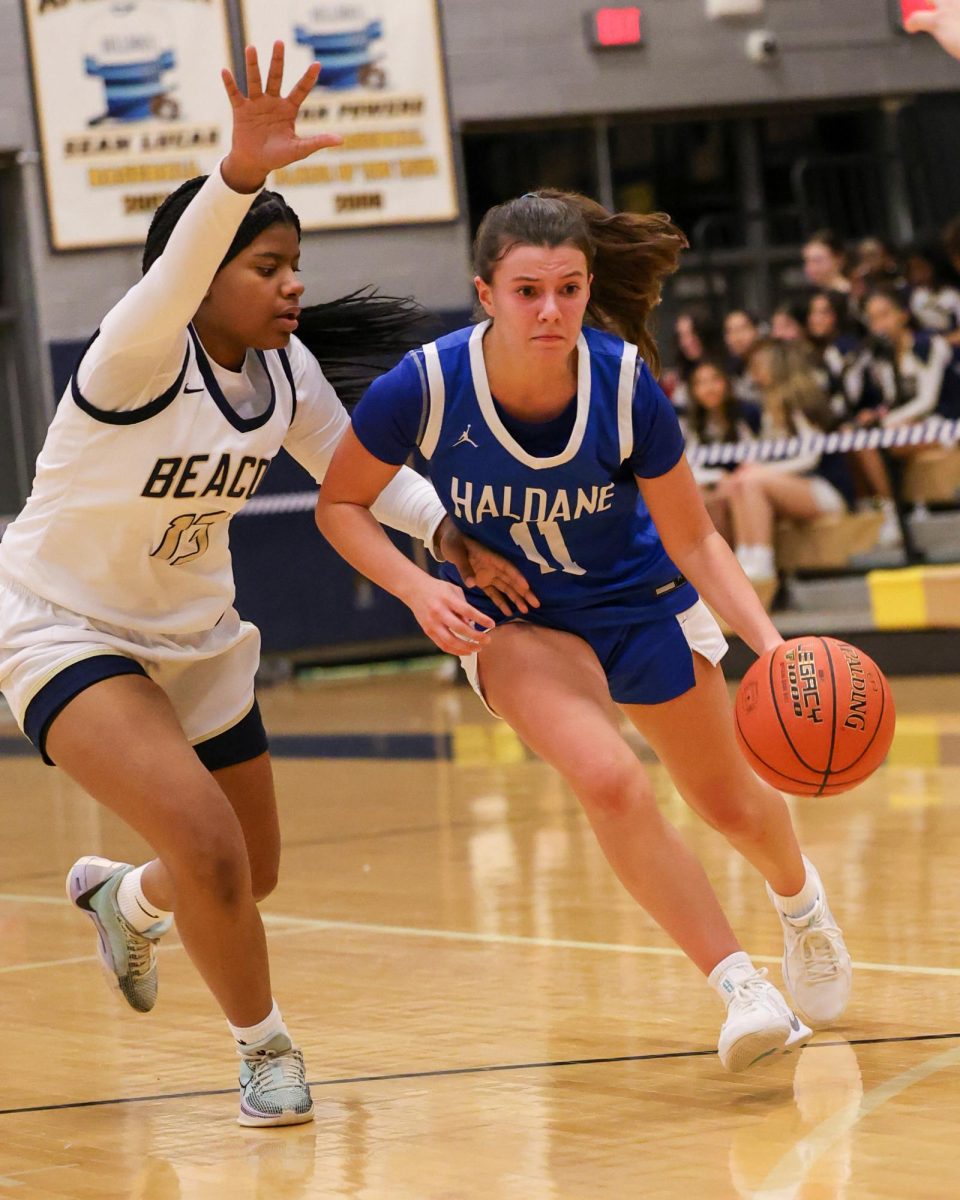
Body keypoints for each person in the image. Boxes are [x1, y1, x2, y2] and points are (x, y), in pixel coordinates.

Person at [0, 43, 524, 1127]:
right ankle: (265, 1049)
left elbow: (357, 478)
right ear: (203, 277)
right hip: (60, 627)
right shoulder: (132, 357)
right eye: (267, 264)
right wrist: (235, 172)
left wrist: (449, 536)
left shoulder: (281, 373)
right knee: (209, 847)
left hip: (195, 638)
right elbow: (172, 277)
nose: (293, 284)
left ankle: (121, 899)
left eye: (296, 263)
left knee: (250, 871)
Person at [315, 189, 853, 1074]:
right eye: (527, 290)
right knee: (610, 781)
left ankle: (803, 909)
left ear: (588, 286)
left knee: (727, 804)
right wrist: (418, 589)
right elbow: (340, 504)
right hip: (517, 619)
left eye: (568, 288)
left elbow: (695, 536)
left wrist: (772, 641)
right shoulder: (426, 385)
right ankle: (741, 987)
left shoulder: (626, 383)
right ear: (484, 293)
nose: (551, 309)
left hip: (640, 601)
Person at [723, 339, 856, 587]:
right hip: (792, 485)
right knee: (737, 481)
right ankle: (745, 554)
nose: (755, 372)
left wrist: (763, 470)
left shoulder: (799, 399)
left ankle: (761, 559)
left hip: (826, 488)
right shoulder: (767, 406)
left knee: (752, 480)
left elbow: (810, 457)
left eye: (760, 366)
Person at [682, 359, 759, 546]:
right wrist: (718, 476)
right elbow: (690, 468)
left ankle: (746, 555)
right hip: (716, 485)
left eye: (715, 380)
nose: (709, 388)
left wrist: (733, 479)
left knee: (733, 491)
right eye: (701, 383)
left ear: (726, 382)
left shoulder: (747, 414)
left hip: (746, 482)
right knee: (706, 499)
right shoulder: (691, 424)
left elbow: (756, 456)